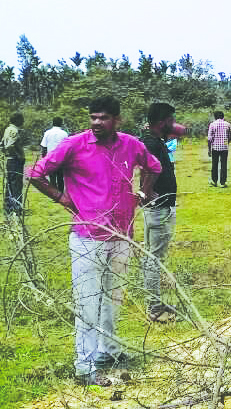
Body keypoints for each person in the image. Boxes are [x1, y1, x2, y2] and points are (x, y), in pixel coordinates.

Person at [26, 96, 161, 387]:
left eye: (103, 118)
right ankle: (85, 366)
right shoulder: (75, 145)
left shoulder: (130, 144)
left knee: (114, 297)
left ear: (117, 120)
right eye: (93, 118)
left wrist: (142, 193)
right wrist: (62, 198)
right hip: (88, 238)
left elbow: (154, 166)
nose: (97, 123)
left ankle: (109, 351)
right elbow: (36, 173)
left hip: (122, 235)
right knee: (87, 302)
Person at [140, 103, 185, 323]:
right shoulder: (151, 143)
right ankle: (155, 308)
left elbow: (181, 130)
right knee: (154, 258)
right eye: (170, 119)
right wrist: (148, 194)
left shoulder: (155, 140)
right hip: (159, 208)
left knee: (153, 255)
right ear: (162, 121)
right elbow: (147, 171)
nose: (173, 123)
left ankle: (155, 302)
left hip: (160, 206)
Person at [0, 112, 27, 216]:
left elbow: (2, 145)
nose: (23, 121)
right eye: (22, 119)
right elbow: (10, 146)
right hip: (15, 161)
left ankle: (8, 207)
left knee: (9, 184)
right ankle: (17, 208)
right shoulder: (14, 130)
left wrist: (5, 155)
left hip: (9, 160)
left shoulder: (7, 129)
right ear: (17, 120)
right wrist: (19, 156)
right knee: (17, 185)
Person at [40, 117, 69, 193]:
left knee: (52, 177)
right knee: (60, 177)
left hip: (50, 158)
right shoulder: (64, 133)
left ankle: (54, 194)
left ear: (52, 123)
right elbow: (67, 147)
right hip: (61, 158)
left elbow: (44, 147)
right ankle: (61, 193)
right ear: (61, 123)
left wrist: (44, 159)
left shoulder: (47, 133)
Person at [207, 111, 231, 187]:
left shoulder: (212, 124)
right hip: (224, 148)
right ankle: (222, 183)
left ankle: (214, 181)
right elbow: (230, 137)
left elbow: (209, 138)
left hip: (215, 148)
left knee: (214, 165)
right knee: (224, 165)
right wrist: (226, 143)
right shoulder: (228, 124)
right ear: (223, 116)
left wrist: (209, 149)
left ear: (215, 117)